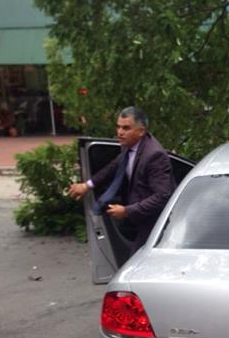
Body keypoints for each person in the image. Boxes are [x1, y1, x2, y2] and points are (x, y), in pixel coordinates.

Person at [68, 106, 175, 255]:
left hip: (153, 222)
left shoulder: (154, 156)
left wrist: (127, 211)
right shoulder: (129, 146)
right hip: (137, 217)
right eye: (118, 127)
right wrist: (87, 185)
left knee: (134, 267)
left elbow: (162, 196)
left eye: (126, 128)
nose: (120, 132)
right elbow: (113, 168)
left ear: (141, 131)